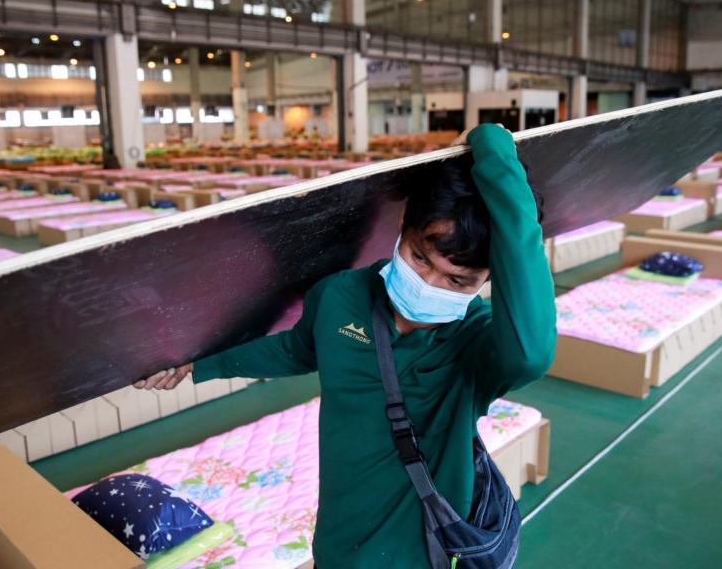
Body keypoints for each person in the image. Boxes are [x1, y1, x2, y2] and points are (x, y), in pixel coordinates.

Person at [135, 123, 557, 567]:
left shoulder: (476, 344)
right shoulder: (341, 296)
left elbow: (532, 353)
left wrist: (493, 146)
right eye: (419, 258)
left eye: (457, 280)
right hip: (338, 538)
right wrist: (198, 363)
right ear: (402, 227)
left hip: (419, 552)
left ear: (488, 278)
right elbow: (297, 349)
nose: (427, 284)